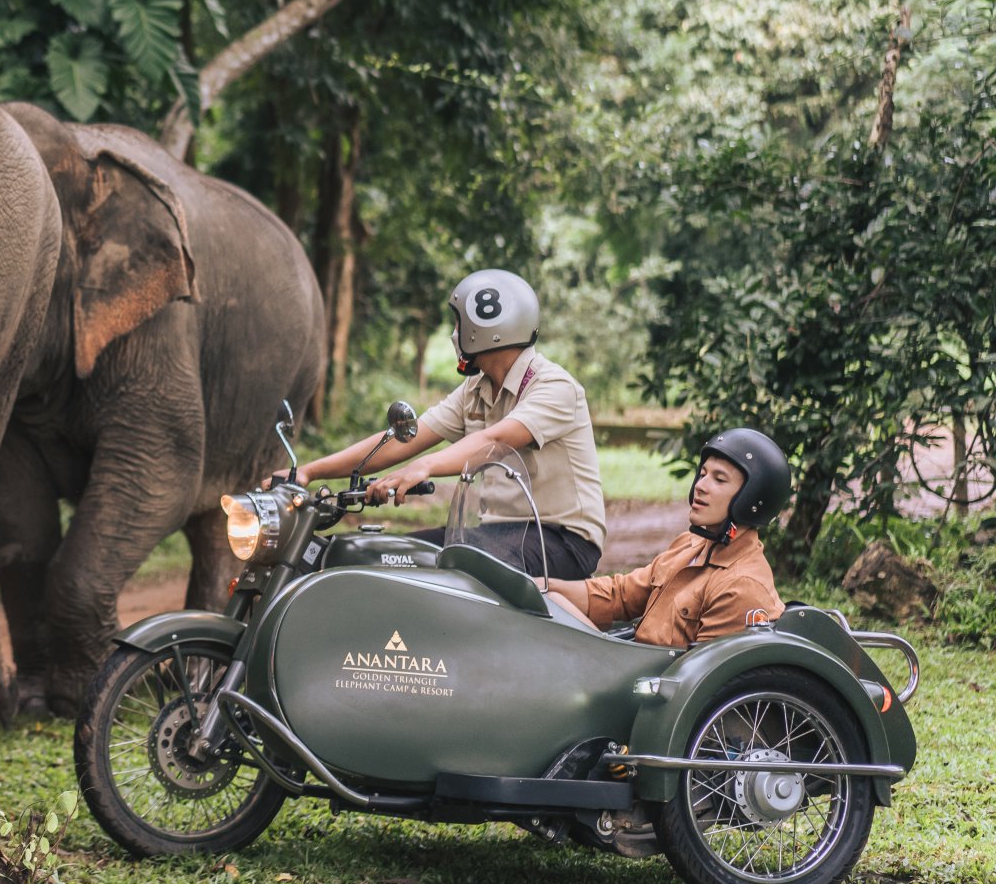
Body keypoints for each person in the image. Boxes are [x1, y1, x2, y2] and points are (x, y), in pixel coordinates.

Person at [290, 268, 606, 580]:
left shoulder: (554, 386)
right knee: (382, 555)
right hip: (494, 535)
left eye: (458, 322)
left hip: (562, 540)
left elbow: (496, 441)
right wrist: (309, 472)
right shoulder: (476, 389)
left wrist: (424, 467)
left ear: (484, 326)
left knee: (456, 569)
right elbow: (406, 438)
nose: (455, 333)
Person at [544, 428, 788, 647]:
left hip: (649, 685)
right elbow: (622, 594)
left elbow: (702, 678)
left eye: (719, 479)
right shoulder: (690, 545)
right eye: (702, 474)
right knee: (549, 601)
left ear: (753, 498)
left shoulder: (740, 586)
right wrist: (543, 585)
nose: (701, 486)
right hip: (631, 663)